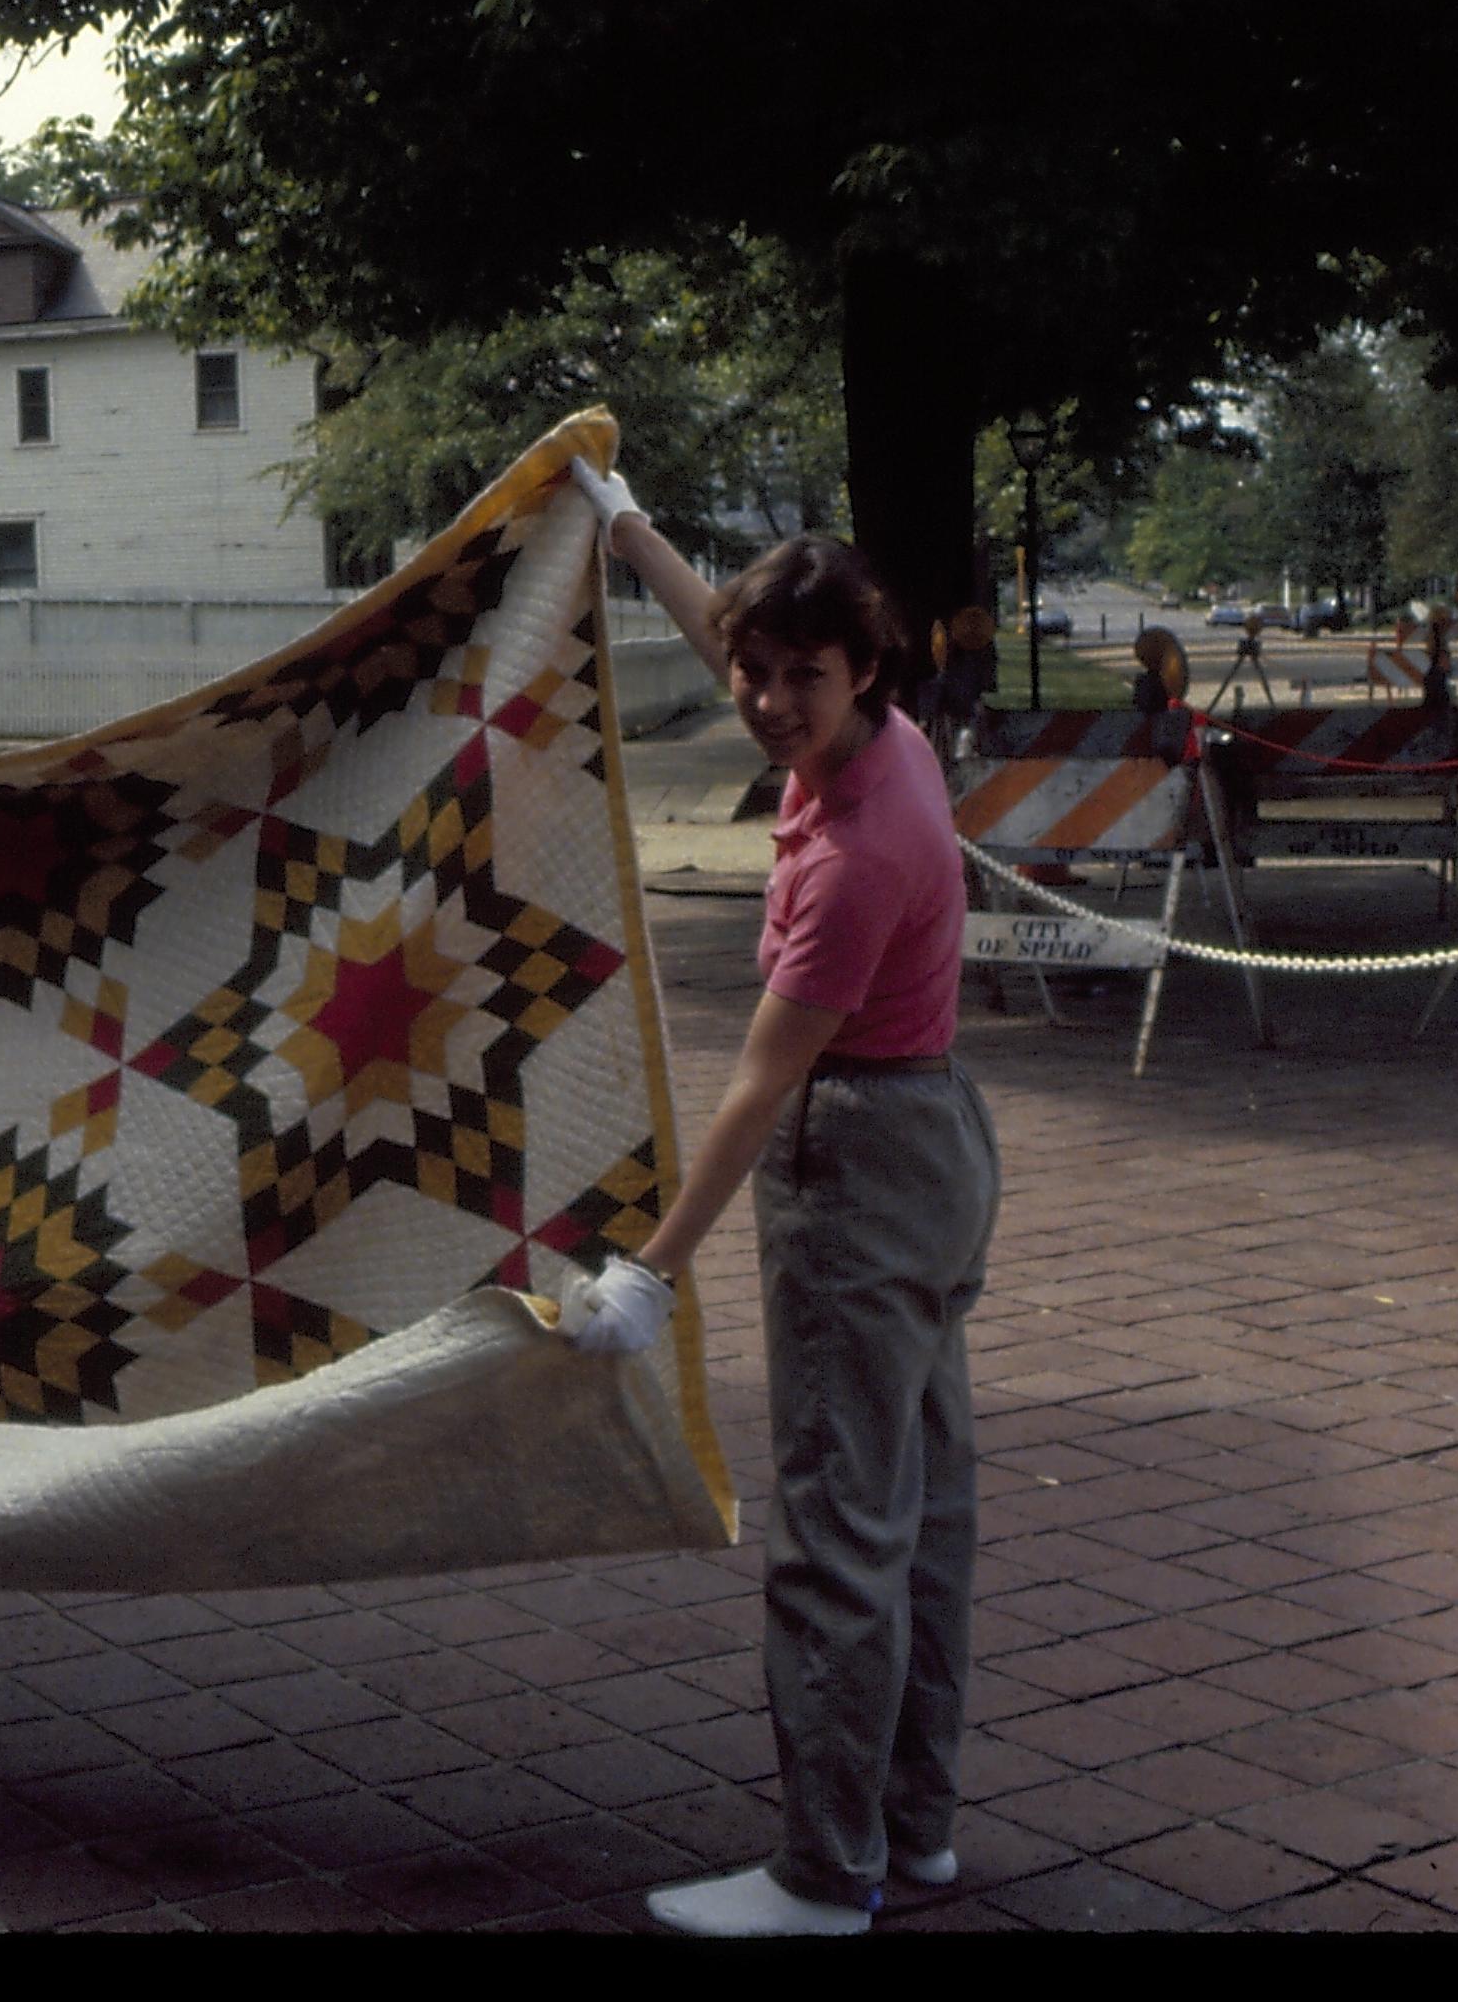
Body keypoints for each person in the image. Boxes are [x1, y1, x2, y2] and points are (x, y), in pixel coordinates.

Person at [559, 460, 1003, 1937]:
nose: (763, 702)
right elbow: (724, 633)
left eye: (797, 679)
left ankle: (826, 1874)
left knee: (835, 1528)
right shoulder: (882, 745)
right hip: (936, 1146)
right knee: (921, 1503)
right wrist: (626, 526)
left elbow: (758, 1087)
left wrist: (653, 1275)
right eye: (752, 675)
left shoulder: (865, 852)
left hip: (858, 1161)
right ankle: (912, 1833)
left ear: (862, 670)